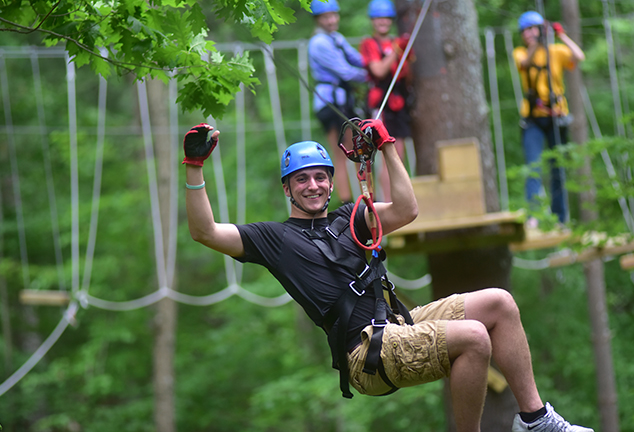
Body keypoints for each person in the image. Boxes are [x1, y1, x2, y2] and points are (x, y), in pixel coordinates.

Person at [182, 120, 594, 432]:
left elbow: (406, 209)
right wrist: (195, 168)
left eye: (320, 176)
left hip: (398, 324)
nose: (313, 185)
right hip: (365, 353)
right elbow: (206, 232)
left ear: (330, 182)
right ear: (287, 189)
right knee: (474, 337)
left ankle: (536, 420)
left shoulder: (350, 217)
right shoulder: (273, 238)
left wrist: (387, 147)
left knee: (499, 303)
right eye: (302, 179)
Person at [512, 11, 585, 228]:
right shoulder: (521, 53)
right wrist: (538, 41)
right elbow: (525, 63)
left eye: (532, 29)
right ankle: (533, 216)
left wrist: (560, 34)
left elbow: (578, 56)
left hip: (556, 117)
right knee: (533, 166)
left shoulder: (555, 52)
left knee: (558, 169)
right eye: (524, 31)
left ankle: (560, 218)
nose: (528, 34)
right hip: (532, 119)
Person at [308, 0, 368, 205]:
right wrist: (373, 75)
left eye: (334, 15)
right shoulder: (319, 43)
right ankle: (347, 202)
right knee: (343, 152)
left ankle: (364, 197)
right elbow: (344, 70)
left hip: (343, 101)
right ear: (318, 19)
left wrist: (374, 63)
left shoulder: (336, 38)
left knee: (357, 150)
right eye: (326, 17)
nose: (332, 20)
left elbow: (358, 59)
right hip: (330, 103)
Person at [359, 0, 414, 201]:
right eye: (378, 18)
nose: (383, 22)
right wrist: (395, 51)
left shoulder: (395, 43)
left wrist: (407, 56)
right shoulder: (369, 44)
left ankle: (400, 200)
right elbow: (378, 70)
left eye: (386, 18)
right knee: (387, 157)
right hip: (381, 106)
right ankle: (389, 202)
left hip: (399, 105)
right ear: (373, 21)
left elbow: (406, 76)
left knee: (399, 157)